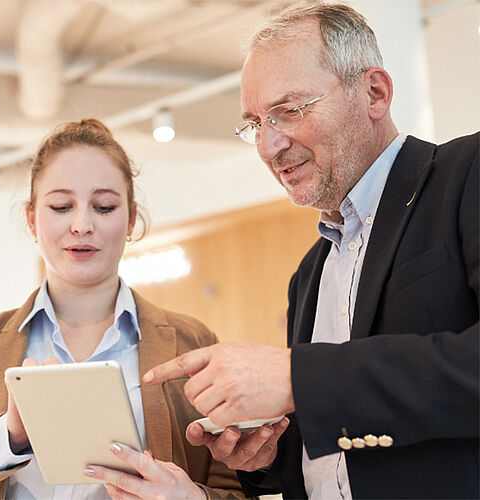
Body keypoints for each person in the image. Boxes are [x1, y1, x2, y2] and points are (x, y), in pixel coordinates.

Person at [143, 3, 479, 499]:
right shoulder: (309, 274)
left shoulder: (466, 175)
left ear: (374, 93)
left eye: (289, 111)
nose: (268, 146)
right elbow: (337, 449)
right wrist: (265, 452)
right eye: (256, 122)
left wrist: (296, 377)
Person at [0, 118, 244, 499]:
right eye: (61, 206)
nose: (82, 224)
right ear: (32, 219)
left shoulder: (190, 342)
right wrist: (8, 437)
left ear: (131, 218)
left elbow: (237, 489)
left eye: (103, 206)